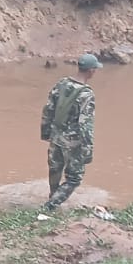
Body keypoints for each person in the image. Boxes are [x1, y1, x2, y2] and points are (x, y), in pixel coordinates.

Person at [40, 52, 101, 211]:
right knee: (74, 178)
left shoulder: (62, 83)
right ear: (91, 71)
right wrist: (88, 149)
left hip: (56, 136)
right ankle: (50, 206)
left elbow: (48, 109)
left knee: (55, 169)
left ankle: (53, 196)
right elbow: (85, 124)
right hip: (73, 143)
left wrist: (45, 132)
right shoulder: (87, 94)